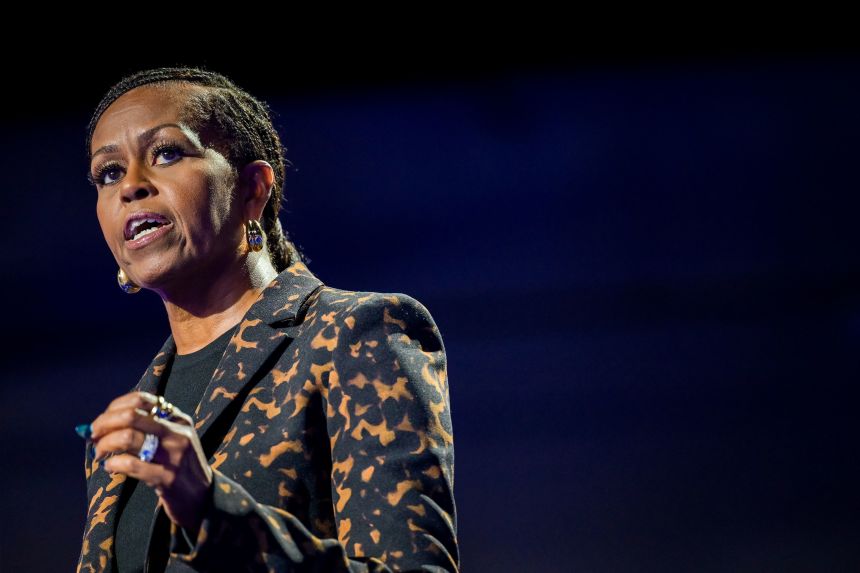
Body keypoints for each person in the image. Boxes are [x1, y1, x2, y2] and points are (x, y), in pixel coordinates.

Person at [76, 66, 459, 573]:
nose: (131, 187)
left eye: (166, 153)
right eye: (109, 173)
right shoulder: (124, 430)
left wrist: (211, 508)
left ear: (253, 188)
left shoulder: (355, 334)